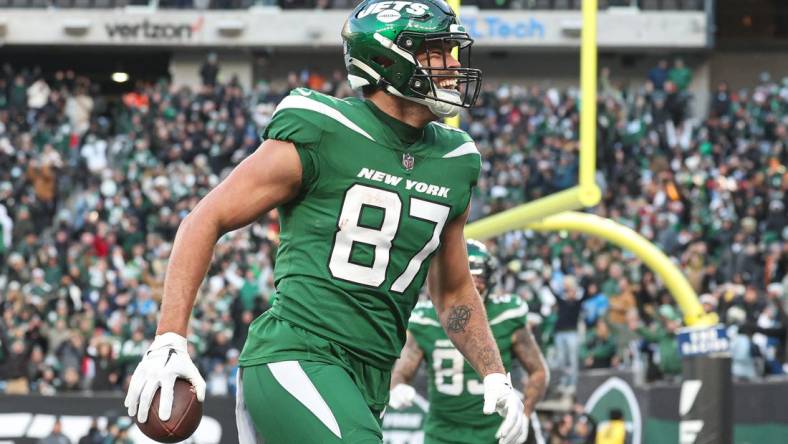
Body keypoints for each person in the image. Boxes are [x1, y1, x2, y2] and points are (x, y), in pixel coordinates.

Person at [124, 1, 527, 443]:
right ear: (388, 60)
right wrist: (169, 339)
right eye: (437, 51)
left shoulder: (455, 160)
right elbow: (206, 218)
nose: (453, 65)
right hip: (296, 355)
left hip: (368, 379)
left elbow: (452, 290)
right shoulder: (324, 128)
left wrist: (494, 374)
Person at [388, 240, 549, 443]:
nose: (470, 286)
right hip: (443, 434)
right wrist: (397, 387)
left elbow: (538, 371)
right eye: (463, 278)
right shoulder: (425, 319)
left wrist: (524, 415)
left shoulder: (506, 315)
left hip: (497, 432)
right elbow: (401, 373)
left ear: (490, 281)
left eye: (478, 278)